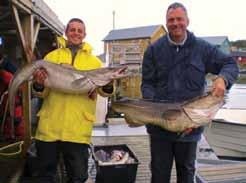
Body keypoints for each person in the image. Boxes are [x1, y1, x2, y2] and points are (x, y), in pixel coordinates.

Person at [141, 2, 239, 183]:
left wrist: (222, 79)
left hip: (190, 128)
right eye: (171, 20)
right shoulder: (153, 50)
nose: (175, 23)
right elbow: (147, 83)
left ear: (187, 21)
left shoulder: (202, 49)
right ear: (166, 22)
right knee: (159, 174)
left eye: (179, 19)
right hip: (159, 127)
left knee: (186, 174)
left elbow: (231, 65)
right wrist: (153, 105)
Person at [32, 18, 113, 183]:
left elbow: (104, 93)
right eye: (72, 29)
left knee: (77, 178)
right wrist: (39, 85)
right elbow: (42, 93)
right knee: (45, 177)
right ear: (66, 33)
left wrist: (109, 84)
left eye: (79, 30)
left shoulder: (95, 62)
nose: (76, 33)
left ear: (84, 34)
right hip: (49, 128)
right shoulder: (51, 58)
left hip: (77, 130)